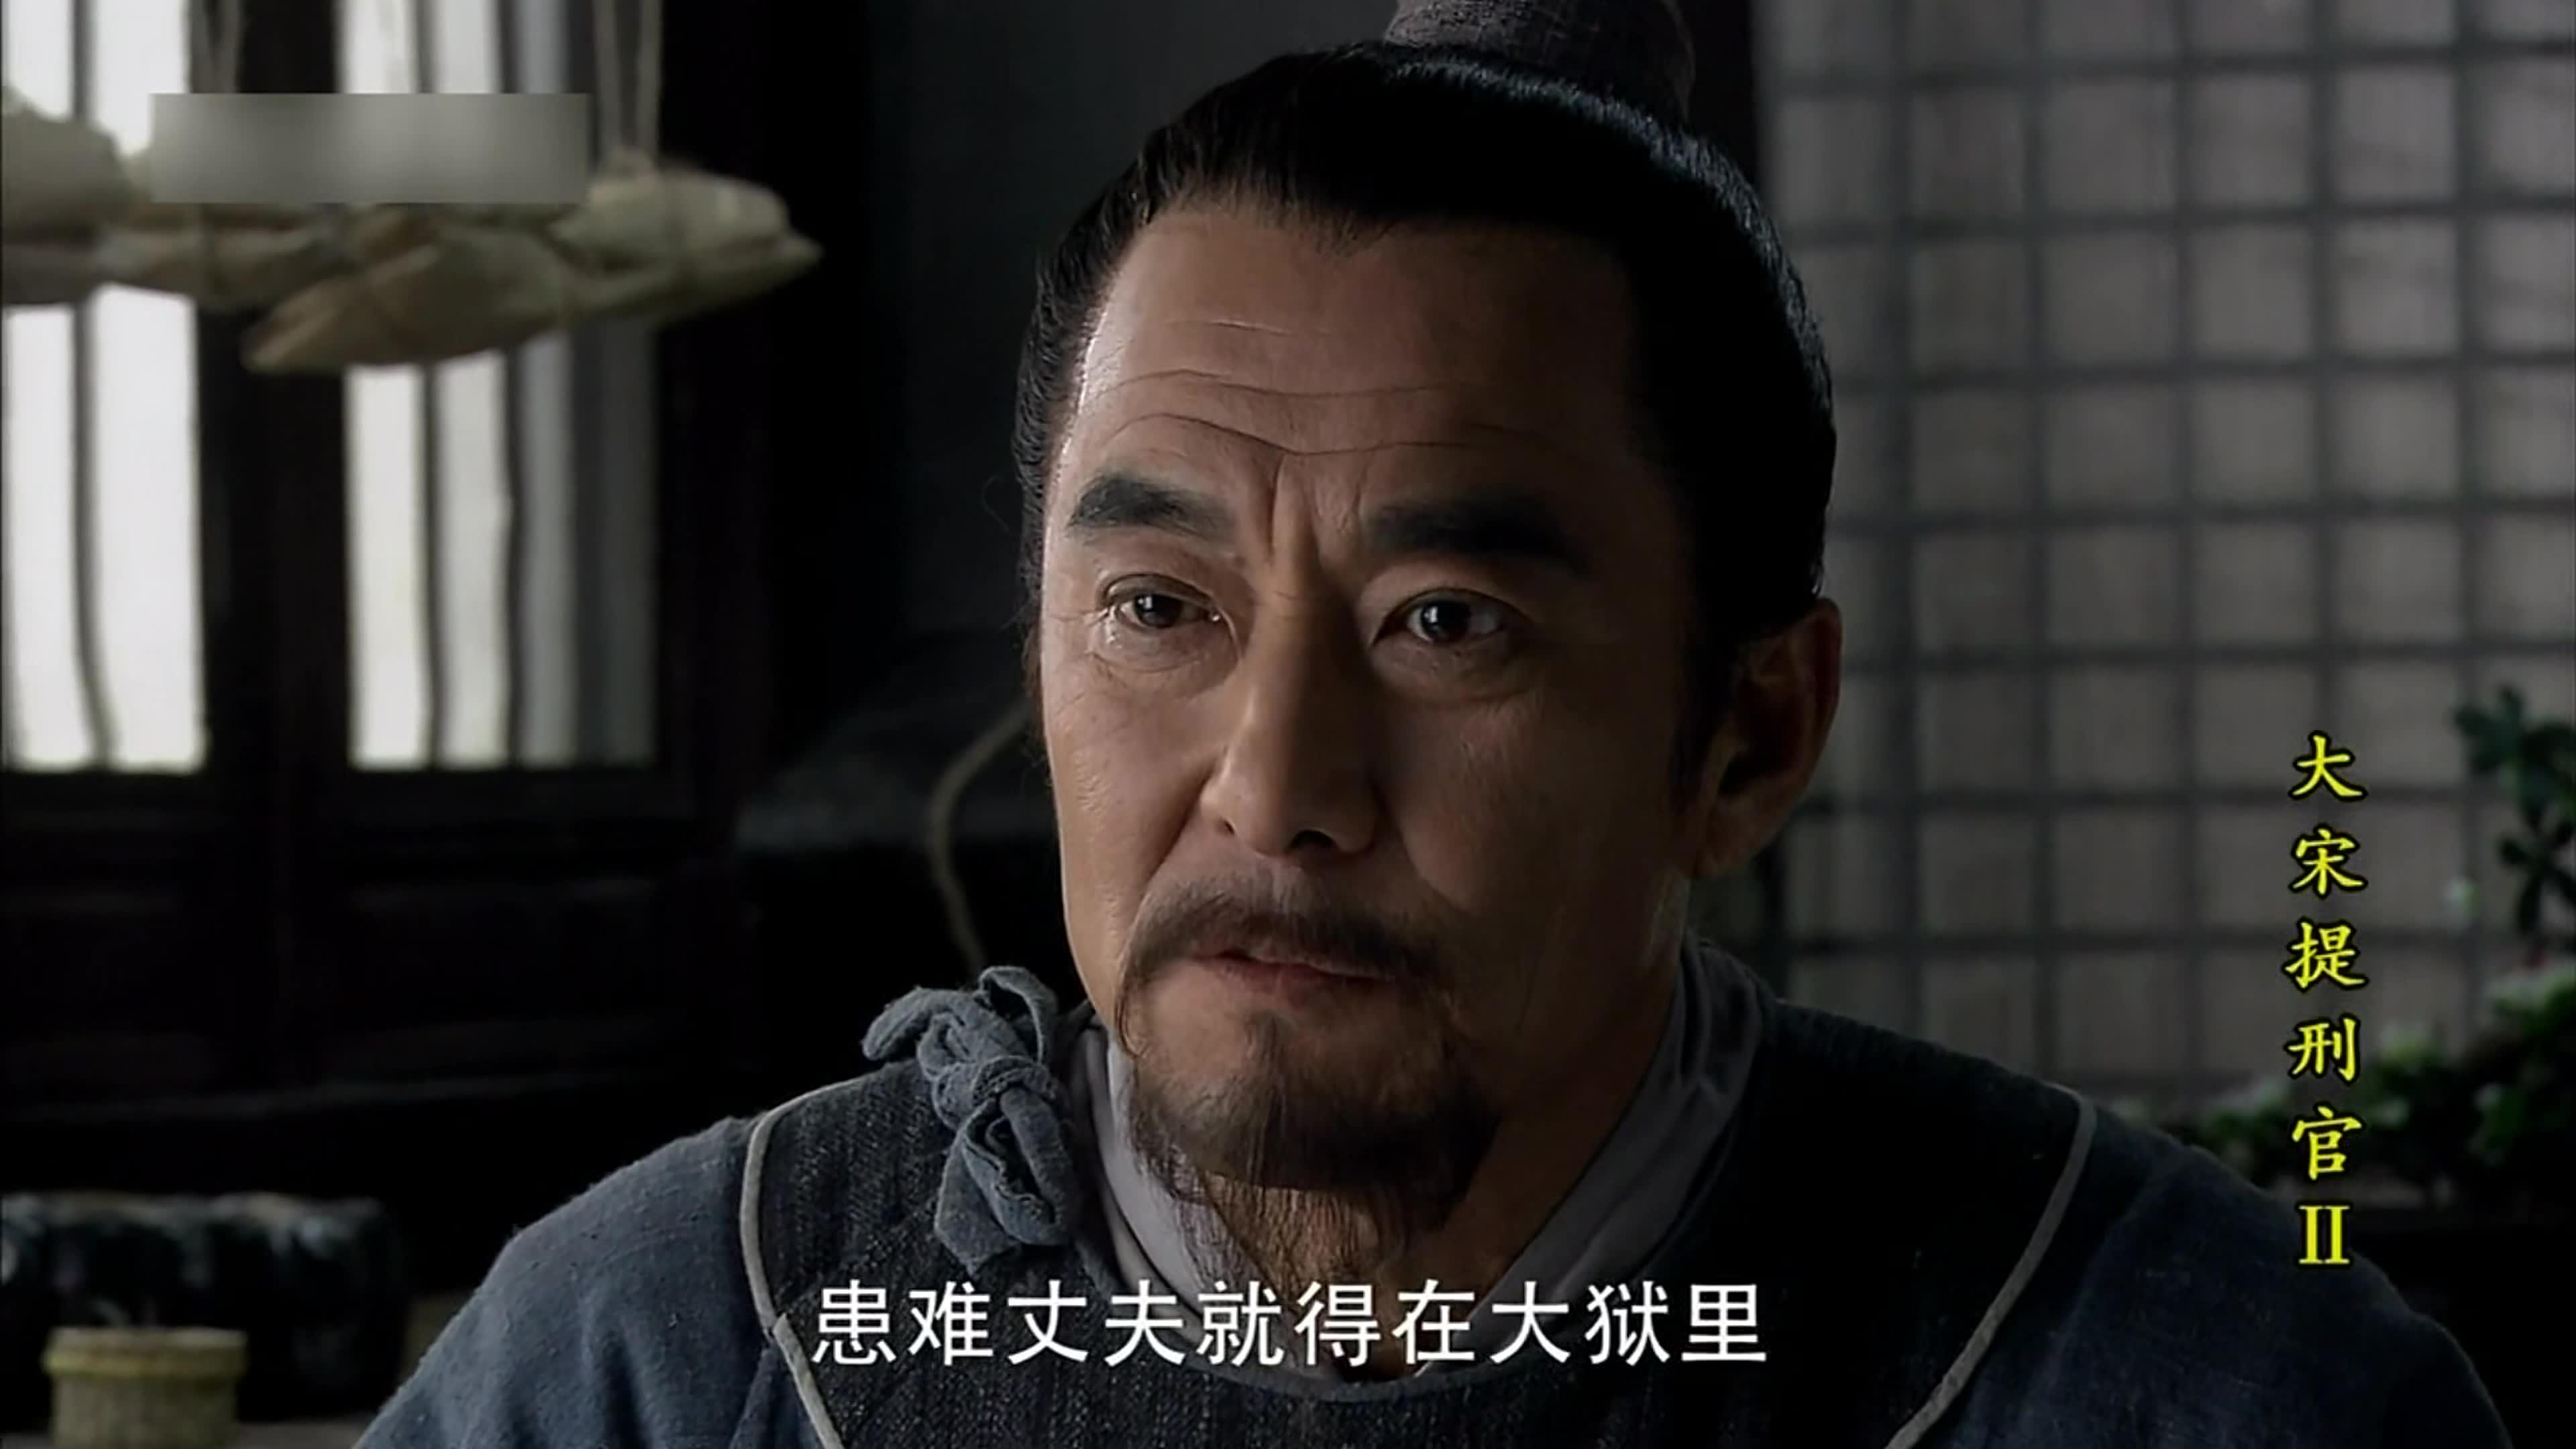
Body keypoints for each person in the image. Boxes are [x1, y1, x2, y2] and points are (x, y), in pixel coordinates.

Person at [358, 3, 2511, 1446]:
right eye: (1159, 610)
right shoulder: (680, 1350)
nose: (1276, 789)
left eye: (1446, 623)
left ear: (1751, 736)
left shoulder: (2182, 1377)